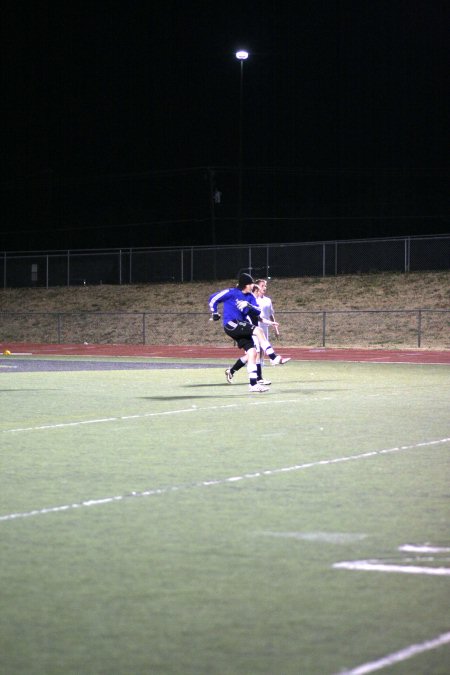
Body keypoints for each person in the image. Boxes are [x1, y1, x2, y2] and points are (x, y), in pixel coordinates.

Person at [209, 272, 290, 393]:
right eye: (251, 283)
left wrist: (248, 305)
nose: (253, 285)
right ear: (245, 285)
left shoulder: (250, 297)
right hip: (231, 324)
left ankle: (253, 385)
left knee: (252, 353)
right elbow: (213, 298)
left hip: (241, 326)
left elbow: (257, 311)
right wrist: (214, 312)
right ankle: (273, 357)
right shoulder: (231, 292)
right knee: (258, 330)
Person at [225, 283, 276, 386]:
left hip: (253, 330)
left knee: (251, 355)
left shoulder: (255, 304)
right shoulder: (247, 303)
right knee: (255, 354)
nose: (263, 289)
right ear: (255, 291)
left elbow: (259, 318)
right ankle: (259, 379)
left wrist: (271, 323)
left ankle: (232, 371)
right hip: (249, 331)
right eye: (261, 287)